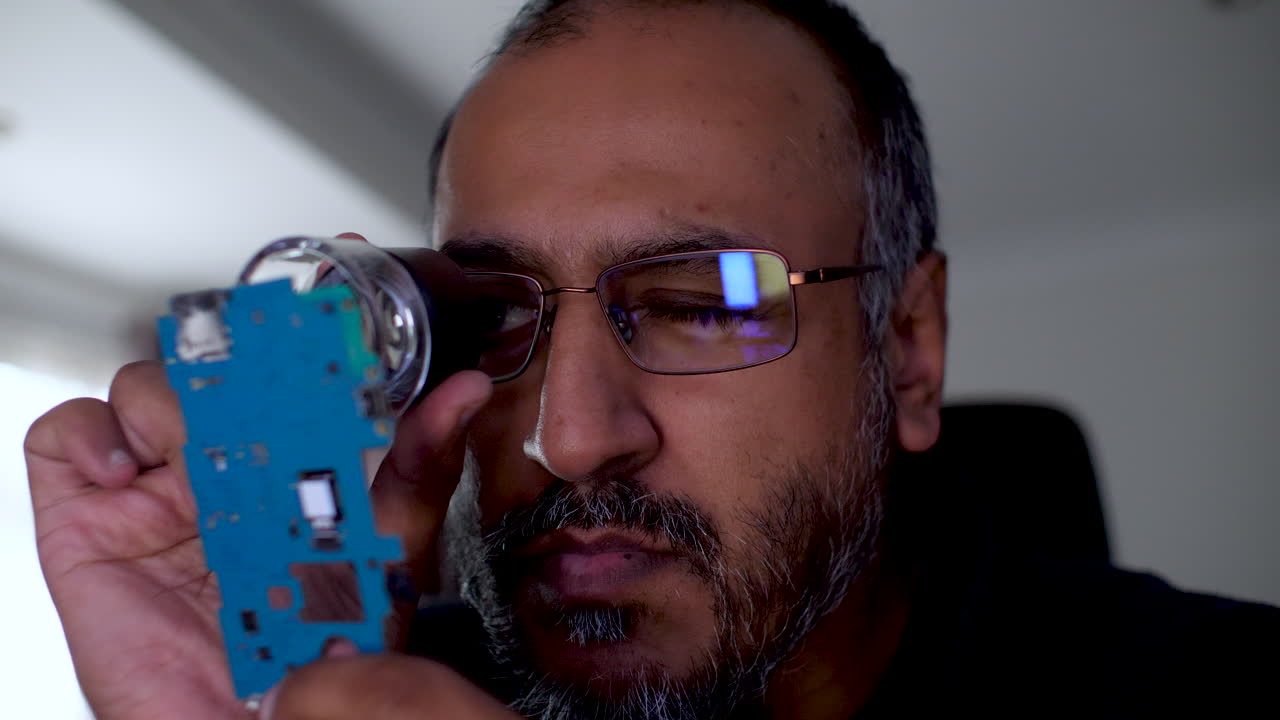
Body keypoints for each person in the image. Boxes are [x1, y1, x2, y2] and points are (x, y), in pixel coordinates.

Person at [24, 1, 1279, 719]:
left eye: (700, 302)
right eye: (498, 312)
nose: (565, 438)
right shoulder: (365, 682)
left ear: (905, 349)